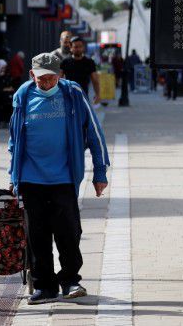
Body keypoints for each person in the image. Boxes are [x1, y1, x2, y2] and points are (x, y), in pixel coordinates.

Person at [8, 52, 110, 305]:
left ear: (60, 76)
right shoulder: (22, 96)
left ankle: (70, 280)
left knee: (69, 232)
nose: (46, 84)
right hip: (31, 178)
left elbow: (95, 133)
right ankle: (44, 286)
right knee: (37, 235)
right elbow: (14, 140)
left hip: (64, 177)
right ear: (32, 75)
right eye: (41, 79)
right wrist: (13, 175)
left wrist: (99, 172)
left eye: (51, 79)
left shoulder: (72, 94)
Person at [60, 36, 101, 104]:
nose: (78, 49)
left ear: (83, 47)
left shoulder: (89, 62)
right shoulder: (65, 62)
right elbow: (59, 80)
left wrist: (98, 95)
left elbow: (95, 80)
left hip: (84, 97)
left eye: (80, 46)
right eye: (76, 47)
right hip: (68, 97)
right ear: (71, 48)